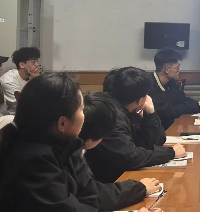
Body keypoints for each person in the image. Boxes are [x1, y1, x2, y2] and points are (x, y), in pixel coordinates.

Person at [0, 72, 158, 212]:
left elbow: (90, 193)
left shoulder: (64, 144)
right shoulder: (32, 159)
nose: (85, 114)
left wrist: (138, 188)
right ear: (62, 123)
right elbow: (65, 208)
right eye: (82, 109)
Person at [85, 67, 186, 183]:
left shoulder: (124, 108)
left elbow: (150, 144)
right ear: (140, 100)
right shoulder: (110, 115)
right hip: (105, 181)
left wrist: (150, 114)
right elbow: (130, 157)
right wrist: (170, 153)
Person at [80, 93, 162, 210]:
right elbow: (91, 196)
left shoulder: (74, 150)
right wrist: (139, 188)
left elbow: (91, 192)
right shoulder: (67, 156)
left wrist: (148, 116)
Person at [149, 49, 200, 129]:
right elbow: (168, 111)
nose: (179, 70)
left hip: (170, 127)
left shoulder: (170, 82)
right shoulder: (149, 86)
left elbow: (182, 99)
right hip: (156, 131)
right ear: (167, 69)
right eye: (177, 67)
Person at [0, 47, 41, 115]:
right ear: (22, 65)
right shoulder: (9, 80)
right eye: (33, 62)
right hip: (13, 116)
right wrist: (34, 82)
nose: (37, 65)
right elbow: (23, 106)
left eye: (37, 61)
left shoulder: (33, 76)